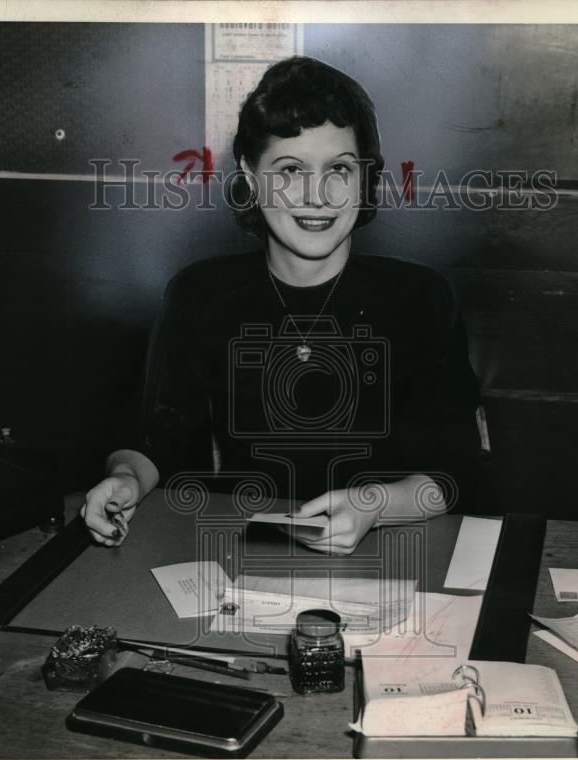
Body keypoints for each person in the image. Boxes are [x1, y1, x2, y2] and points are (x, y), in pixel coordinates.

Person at [82, 56, 482, 555]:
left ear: (364, 178)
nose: (317, 195)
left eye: (339, 168)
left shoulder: (419, 297)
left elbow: (458, 470)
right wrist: (125, 482)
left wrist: (375, 504)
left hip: (398, 551)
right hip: (240, 552)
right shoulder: (200, 294)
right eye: (290, 169)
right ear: (250, 175)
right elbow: (155, 442)